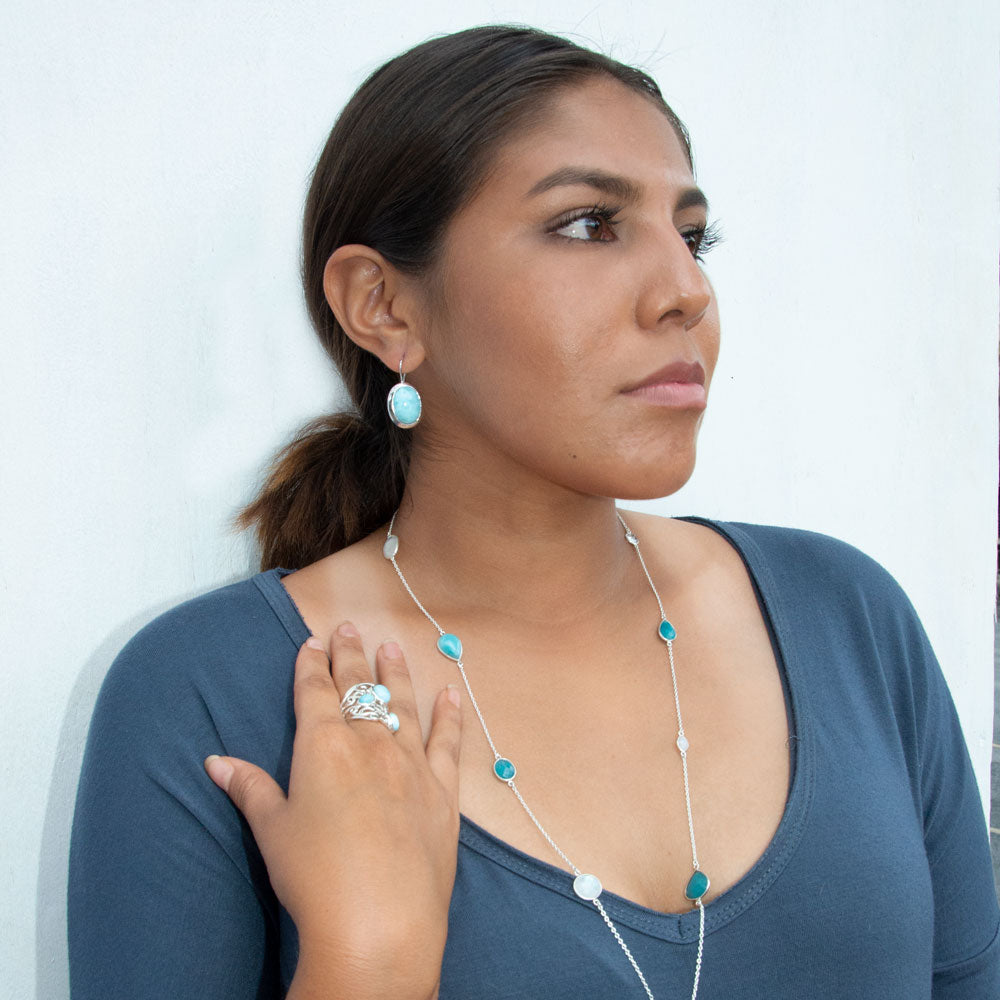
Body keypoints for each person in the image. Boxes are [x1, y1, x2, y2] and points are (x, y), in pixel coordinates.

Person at [68, 24, 999, 1000]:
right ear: (382, 305)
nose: (687, 289)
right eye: (590, 223)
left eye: (693, 236)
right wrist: (365, 964)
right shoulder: (208, 697)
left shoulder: (846, 617)